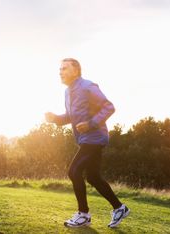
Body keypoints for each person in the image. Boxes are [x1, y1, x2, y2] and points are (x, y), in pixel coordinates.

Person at [45, 58, 129, 228]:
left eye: (64, 68)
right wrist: (55, 119)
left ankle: (83, 214)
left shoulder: (88, 86)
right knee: (93, 177)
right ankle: (119, 208)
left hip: (95, 137)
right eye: (59, 69)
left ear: (76, 71)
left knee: (74, 171)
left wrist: (91, 124)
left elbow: (109, 107)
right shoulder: (68, 92)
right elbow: (71, 117)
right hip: (84, 139)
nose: (60, 72)